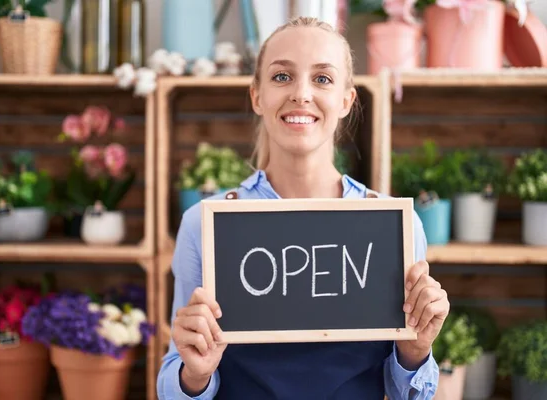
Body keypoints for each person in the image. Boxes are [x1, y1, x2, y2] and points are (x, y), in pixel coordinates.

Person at [157, 16, 449, 400]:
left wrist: (415, 351)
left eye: (322, 79)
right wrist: (193, 373)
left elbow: (408, 394)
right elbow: (172, 381)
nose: (301, 93)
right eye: (281, 77)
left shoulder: (395, 226)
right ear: (257, 96)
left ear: (346, 100)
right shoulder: (205, 224)